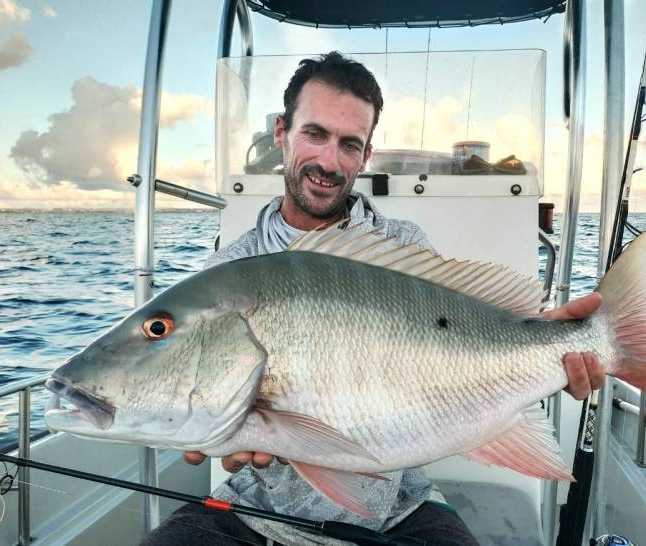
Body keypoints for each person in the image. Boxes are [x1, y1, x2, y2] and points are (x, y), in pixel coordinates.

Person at [142, 51, 605, 546]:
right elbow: (218, 420)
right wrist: (227, 438)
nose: (328, 161)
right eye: (314, 134)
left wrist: (551, 356)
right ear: (282, 132)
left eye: (349, 144)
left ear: (365, 156)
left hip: (398, 507)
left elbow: (458, 359)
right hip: (255, 511)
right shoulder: (227, 273)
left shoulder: (401, 245)